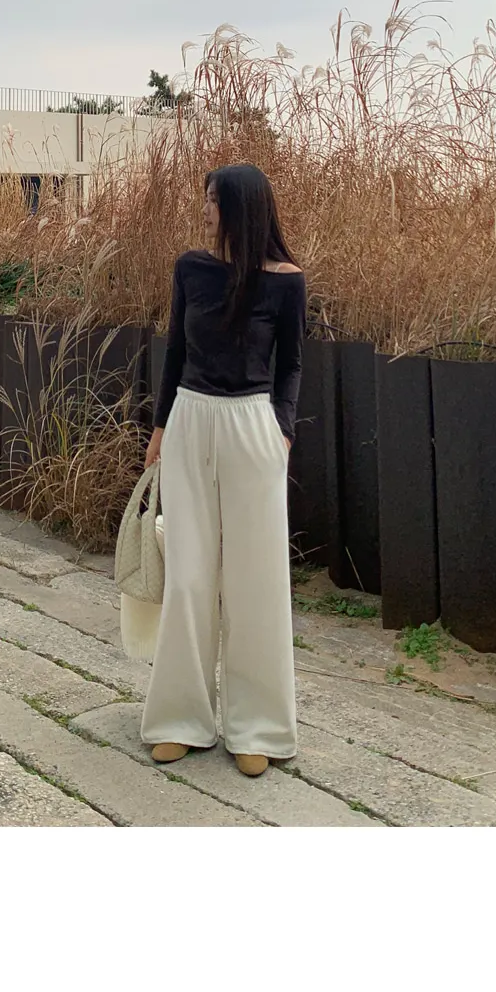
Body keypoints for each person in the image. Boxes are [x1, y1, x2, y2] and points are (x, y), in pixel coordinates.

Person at [140, 166, 306, 773]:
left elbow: (292, 363)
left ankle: (256, 727)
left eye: (214, 200)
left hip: (253, 426)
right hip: (189, 420)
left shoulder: (287, 282)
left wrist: (282, 429)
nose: (205, 209)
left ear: (241, 208)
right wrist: (160, 428)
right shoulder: (190, 269)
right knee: (187, 574)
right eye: (205, 199)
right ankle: (180, 718)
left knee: (255, 580)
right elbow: (175, 351)